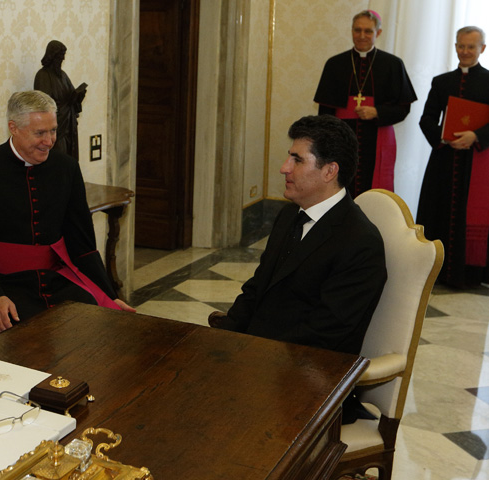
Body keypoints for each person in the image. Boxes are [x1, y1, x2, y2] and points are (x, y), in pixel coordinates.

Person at [209, 115, 387, 423]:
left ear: (330, 171)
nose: (284, 168)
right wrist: (224, 341)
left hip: (308, 384)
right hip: (260, 361)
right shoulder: (289, 215)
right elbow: (257, 289)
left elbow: (325, 335)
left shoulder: (360, 241)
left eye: (297, 160)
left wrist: (250, 358)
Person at [0, 90, 133, 345]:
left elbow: (83, 246)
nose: (49, 141)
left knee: (99, 326)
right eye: (40, 133)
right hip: (0, 284)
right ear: (14, 128)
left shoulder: (66, 168)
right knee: (24, 336)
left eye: (53, 130)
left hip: (57, 280)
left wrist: (109, 295)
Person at [314, 9, 417, 197]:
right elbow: (325, 111)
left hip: (377, 137)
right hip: (342, 140)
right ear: (352, 31)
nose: (362, 36)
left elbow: (403, 108)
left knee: (374, 192)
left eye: (368, 31)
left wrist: (377, 112)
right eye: (357, 30)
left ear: (378, 33)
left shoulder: (393, 64)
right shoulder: (335, 64)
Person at [417, 26, 489, 288]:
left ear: (482, 48)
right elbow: (426, 119)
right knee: (439, 208)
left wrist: (476, 135)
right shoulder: (442, 81)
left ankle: (470, 275)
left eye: (471, 46)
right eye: (461, 46)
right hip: (444, 160)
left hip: (478, 162)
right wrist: (444, 137)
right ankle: (436, 271)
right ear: (455, 46)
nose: (465, 51)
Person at [33, 40, 87, 160]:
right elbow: (42, 103)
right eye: (59, 57)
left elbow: (71, 96)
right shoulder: (43, 75)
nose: (61, 60)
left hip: (68, 123)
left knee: (69, 157)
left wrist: (78, 96)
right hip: (55, 126)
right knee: (58, 157)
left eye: (63, 58)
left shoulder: (63, 76)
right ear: (52, 57)